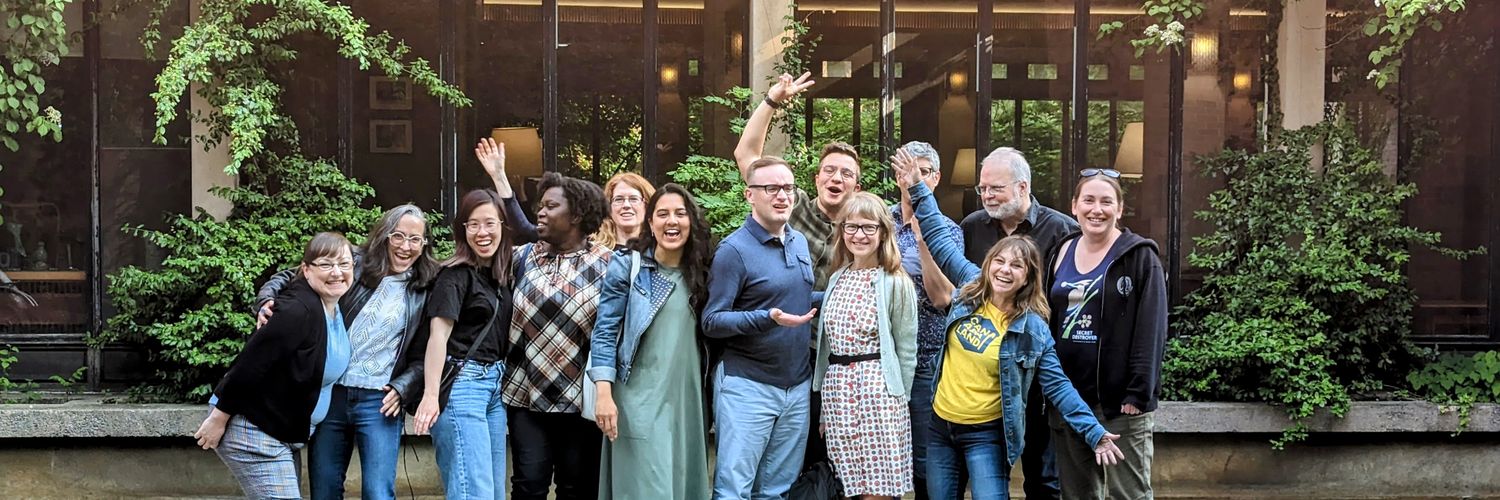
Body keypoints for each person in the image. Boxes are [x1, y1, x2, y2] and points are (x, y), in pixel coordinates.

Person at [891, 154, 1126, 500]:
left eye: (1016, 266)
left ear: (1029, 277)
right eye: (998, 261)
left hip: (986, 435)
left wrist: (1094, 432)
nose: (1004, 270)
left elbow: (1059, 387)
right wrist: (917, 188)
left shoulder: (1031, 329)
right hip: (940, 428)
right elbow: (939, 239)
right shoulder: (971, 288)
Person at [253, 206, 440, 500]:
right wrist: (266, 300)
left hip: (379, 401)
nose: (406, 246)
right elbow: (292, 275)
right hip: (331, 395)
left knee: (378, 493)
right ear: (384, 236)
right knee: (325, 489)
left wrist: (404, 387)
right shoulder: (354, 262)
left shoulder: (427, 285)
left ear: (425, 244)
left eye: (415, 239)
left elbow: (425, 352)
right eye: (399, 236)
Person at [734, 70, 858, 472]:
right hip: (783, 353)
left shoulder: (863, 228)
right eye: (830, 170)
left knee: (831, 463)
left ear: (856, 186)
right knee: (783, 463)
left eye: (846, 174)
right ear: (816, 177)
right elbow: (746, 156)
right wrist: (771, 100)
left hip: (836, 360)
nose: (836, 178)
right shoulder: (791, 203)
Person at [194, 232, 355, 499]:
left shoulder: (331, 305)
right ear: (305, 269)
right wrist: (218, 418)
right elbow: (250, 365)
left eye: (344, 264)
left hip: (282, 432)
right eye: (326, 265)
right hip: (254, 430)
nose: (336, 272)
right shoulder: (297, 311)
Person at [958, 147, 1078, 499]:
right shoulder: (972, 227)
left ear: (1023, 187)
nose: (986, 196)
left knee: (1044, 478)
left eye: (995, 188)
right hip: (985, 379)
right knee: (988, 480)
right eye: (982, 189)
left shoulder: (1062, 230)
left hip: (1037, 374)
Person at [1045, 169, 1168, 500]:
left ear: (1120, 209)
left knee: (1128, 494)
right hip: (1069, 399)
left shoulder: (1140, 257)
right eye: (1088, 200)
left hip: (1119, 404)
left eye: (1105, 202)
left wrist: (1139, 393)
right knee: (1077, 494)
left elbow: (1151, 329)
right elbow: (1046, 319)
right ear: (1074, 206)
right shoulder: (1060, 251)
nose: (1096, 209)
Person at [703, 156, 819, 500]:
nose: (782, 196)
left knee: (777, 491)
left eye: (788, 188)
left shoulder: (798, 241)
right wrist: (766, 317)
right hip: (747, 386)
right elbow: (712, 320)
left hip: (796, 387)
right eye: (771, 188)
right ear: (749, 195)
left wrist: (844, 291)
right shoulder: (733, 251)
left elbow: (797, 295)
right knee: (733, 491)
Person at [590, 183, 715, 499]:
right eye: (663, 214)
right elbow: (604, 332)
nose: (672, 221)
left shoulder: (704, 271)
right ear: (650, 222)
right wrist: (603, 394)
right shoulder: (629, 267)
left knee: (683, 487)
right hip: (637, 401)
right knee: (648, 488)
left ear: (692, 221)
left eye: (680, 214)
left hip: (688, 403)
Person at [500, 171, 612, 500]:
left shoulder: (608, 265)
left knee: (577, 488)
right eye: (541, 205)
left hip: (581, 401)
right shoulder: (522, 257)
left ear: (576, 215)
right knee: (528, 484)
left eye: (551, 206)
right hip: (525, 396)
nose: (541, 212)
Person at [812, 191, 919, 499]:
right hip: (838, 395)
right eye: (851, 226)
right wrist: (822, 414)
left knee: (877, 490)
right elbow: (827, 347)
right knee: (845, 486)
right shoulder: (838, 277)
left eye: (868, 227)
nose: (859, 235)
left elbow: (906, 350)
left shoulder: (895, 281)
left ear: (883, 232)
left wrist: (900, 401)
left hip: (878, 396)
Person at [411, 189, 516, 500]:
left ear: (501, 226)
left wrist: (502, 179)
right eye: (473, 225)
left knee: (494, 492)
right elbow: (437, 337)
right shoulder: (454, 275)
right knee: (474, 492)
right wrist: (431, 396)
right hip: (462, 386)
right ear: (463, 230)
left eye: (489, 223)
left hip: (495, 387)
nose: (482, 233)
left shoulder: (500, 275)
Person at [888, 142, 962, 499]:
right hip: (880, 356)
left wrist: (921, 240)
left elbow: (943, 298)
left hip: (926, 358)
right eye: (905, 170)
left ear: (935, 179)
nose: (911, 179)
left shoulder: (949, 231)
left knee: (922, 462)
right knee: (880, 459)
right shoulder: (878, 222)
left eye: (921, 171)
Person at [593, 172, 657, 250]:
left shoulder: (658, 252)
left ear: (647, 205)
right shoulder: (594, 254)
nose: (626, 205)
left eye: (633, 199)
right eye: (619, 199)